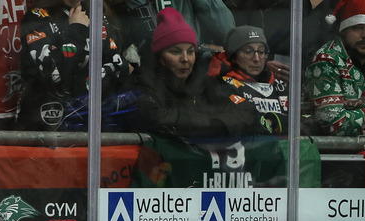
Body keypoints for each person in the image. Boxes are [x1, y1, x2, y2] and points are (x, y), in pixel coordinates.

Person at [134, 8, 251, 139]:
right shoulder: (145, 82)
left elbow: (245, 113)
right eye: (175, 52)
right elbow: (155, 119)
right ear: (161, 58)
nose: (185, 59)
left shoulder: (205, 78)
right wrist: (214, 122)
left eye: (190, 51)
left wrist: (202, 123)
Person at [16, 0, 131, 131]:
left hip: (93, 122)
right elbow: (55, 73)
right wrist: (78, 29)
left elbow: (119, 66)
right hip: (48, 124)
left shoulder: (96, 14)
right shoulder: (37, 16)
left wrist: (72, 70)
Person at [304, 0, 365, 136]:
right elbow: (334, 124)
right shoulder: (325, 59)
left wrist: (359, 123)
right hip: (331, 153)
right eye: (358, 27)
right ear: (344, 31)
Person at [207, 25, 288, 135]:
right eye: (248, 51)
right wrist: (274, 122)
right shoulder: (221, 86)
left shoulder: (280, 85)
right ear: (233, 55)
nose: (256, 59)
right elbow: (244, 123)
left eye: (261, 51)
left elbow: (305, 121)